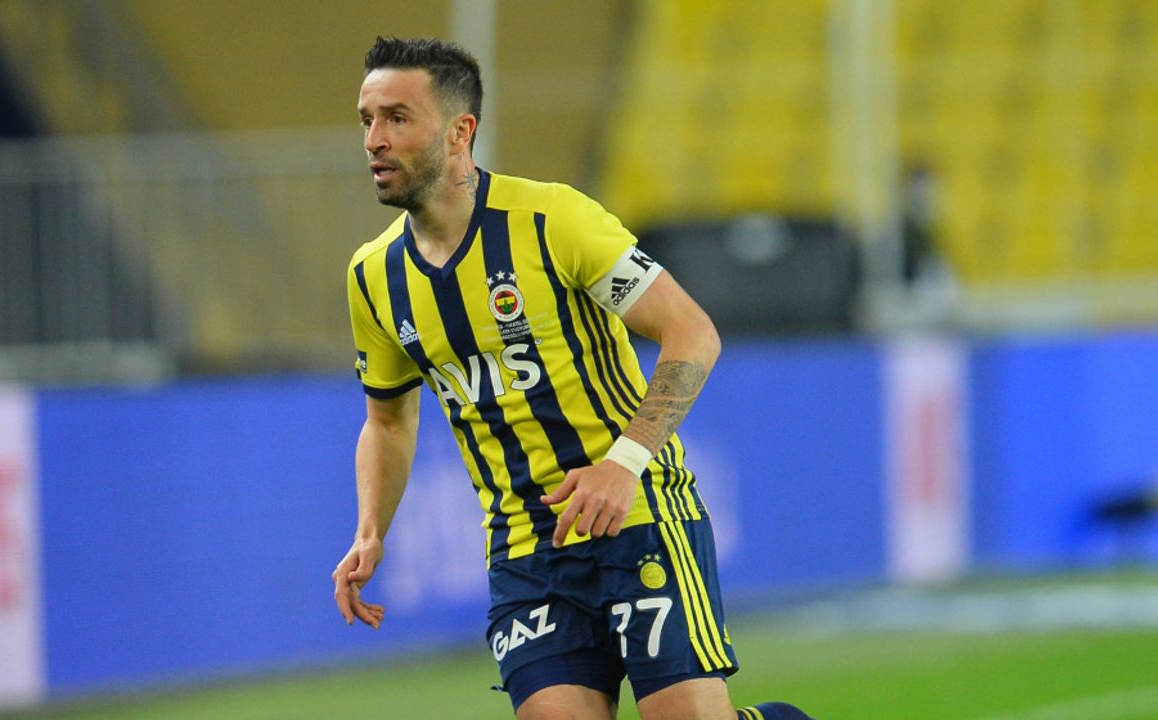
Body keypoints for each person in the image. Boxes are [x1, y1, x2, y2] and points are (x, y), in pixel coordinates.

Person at [332, 36, 815, 720]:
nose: (374, 140)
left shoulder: (552, 221)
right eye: (367, 120)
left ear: (460, 132)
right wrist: (370, 530)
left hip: (640, 516)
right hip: (526, 551)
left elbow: (691, 333)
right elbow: (388, 419)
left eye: (397, 118)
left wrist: (623, 463)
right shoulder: (373, 276)